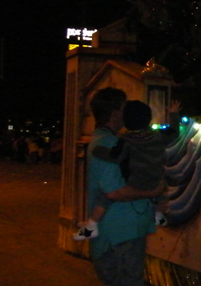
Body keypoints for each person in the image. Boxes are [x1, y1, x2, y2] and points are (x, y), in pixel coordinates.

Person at [85, 87, 167, 286]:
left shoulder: (108, 140)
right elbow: (114, 192)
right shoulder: (108, 143)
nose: (126, 112)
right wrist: (154, 189)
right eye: (123, 107)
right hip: (120, 234)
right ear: (114, 113)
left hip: (121, 231)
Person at [74, 99, 179, 241]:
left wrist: (97, 150)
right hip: (155, 179)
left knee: (104, 197)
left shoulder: (127, 140)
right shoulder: (158, 136)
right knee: (162, 187)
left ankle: (92, 225)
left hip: (136, 182)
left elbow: (114, 156)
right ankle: (159, 215)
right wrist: (173, 114)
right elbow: (174, 132)